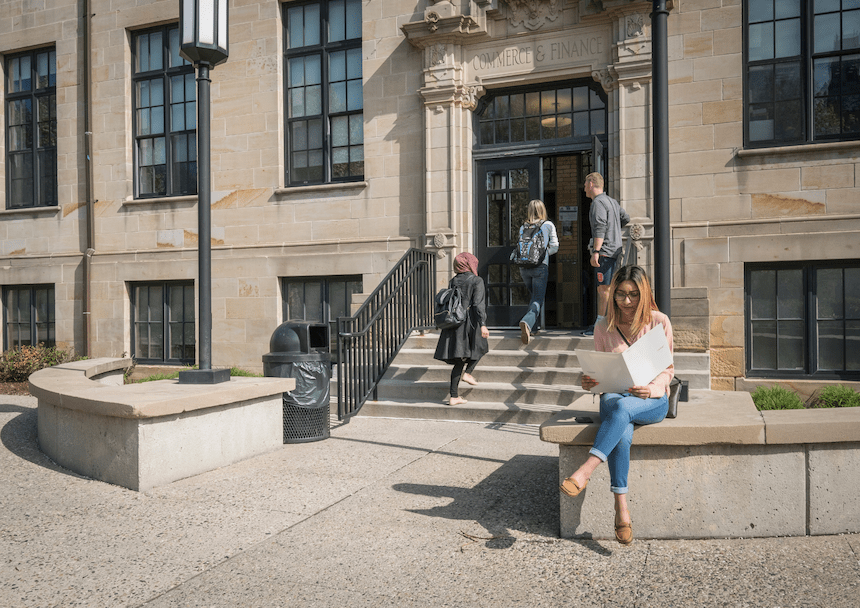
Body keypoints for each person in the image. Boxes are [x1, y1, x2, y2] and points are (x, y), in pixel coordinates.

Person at [560, 265, 674, 545]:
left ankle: (587, 470)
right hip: (614, 396)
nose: (626, 302)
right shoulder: (603, 326)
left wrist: (651, 389)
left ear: (644, 293)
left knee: (622, 412)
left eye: (633, 295)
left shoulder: (659, 322)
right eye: (621, 295)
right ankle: (621, 509)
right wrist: (590, 381)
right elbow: (601, 370)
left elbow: (668, 369)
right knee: (619, 416)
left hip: (651, 401)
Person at [434, 252, 490, 406]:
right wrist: (483, 324)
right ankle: (469, 373)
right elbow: (479, 304)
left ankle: (454, 396)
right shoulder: (476, 281)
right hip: (470, 323)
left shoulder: (453, 281)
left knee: (459, 360)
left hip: (455, 324)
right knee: (482, 347)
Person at [582, 173, 629, 336]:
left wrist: (596, 251)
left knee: (604, 290)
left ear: (591, 184)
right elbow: (625, 217)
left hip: (605, 253)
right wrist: (614, 228)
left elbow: (600, 227)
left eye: (585, 184)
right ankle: (606, 324)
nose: (584, 188)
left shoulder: (598, 203)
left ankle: (601, 327)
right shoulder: (612, 202)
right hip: (614, 251)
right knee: (608, 289)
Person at [516, 199, 559, 345]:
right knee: (537, 299)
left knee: (533, 297)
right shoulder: (548, 225)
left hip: (524, 267)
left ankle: (532, 328)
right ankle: (527, 323)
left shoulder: (523, 227)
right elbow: (555, 246)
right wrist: (544, 254)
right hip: (540, 267)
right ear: (543, 210)